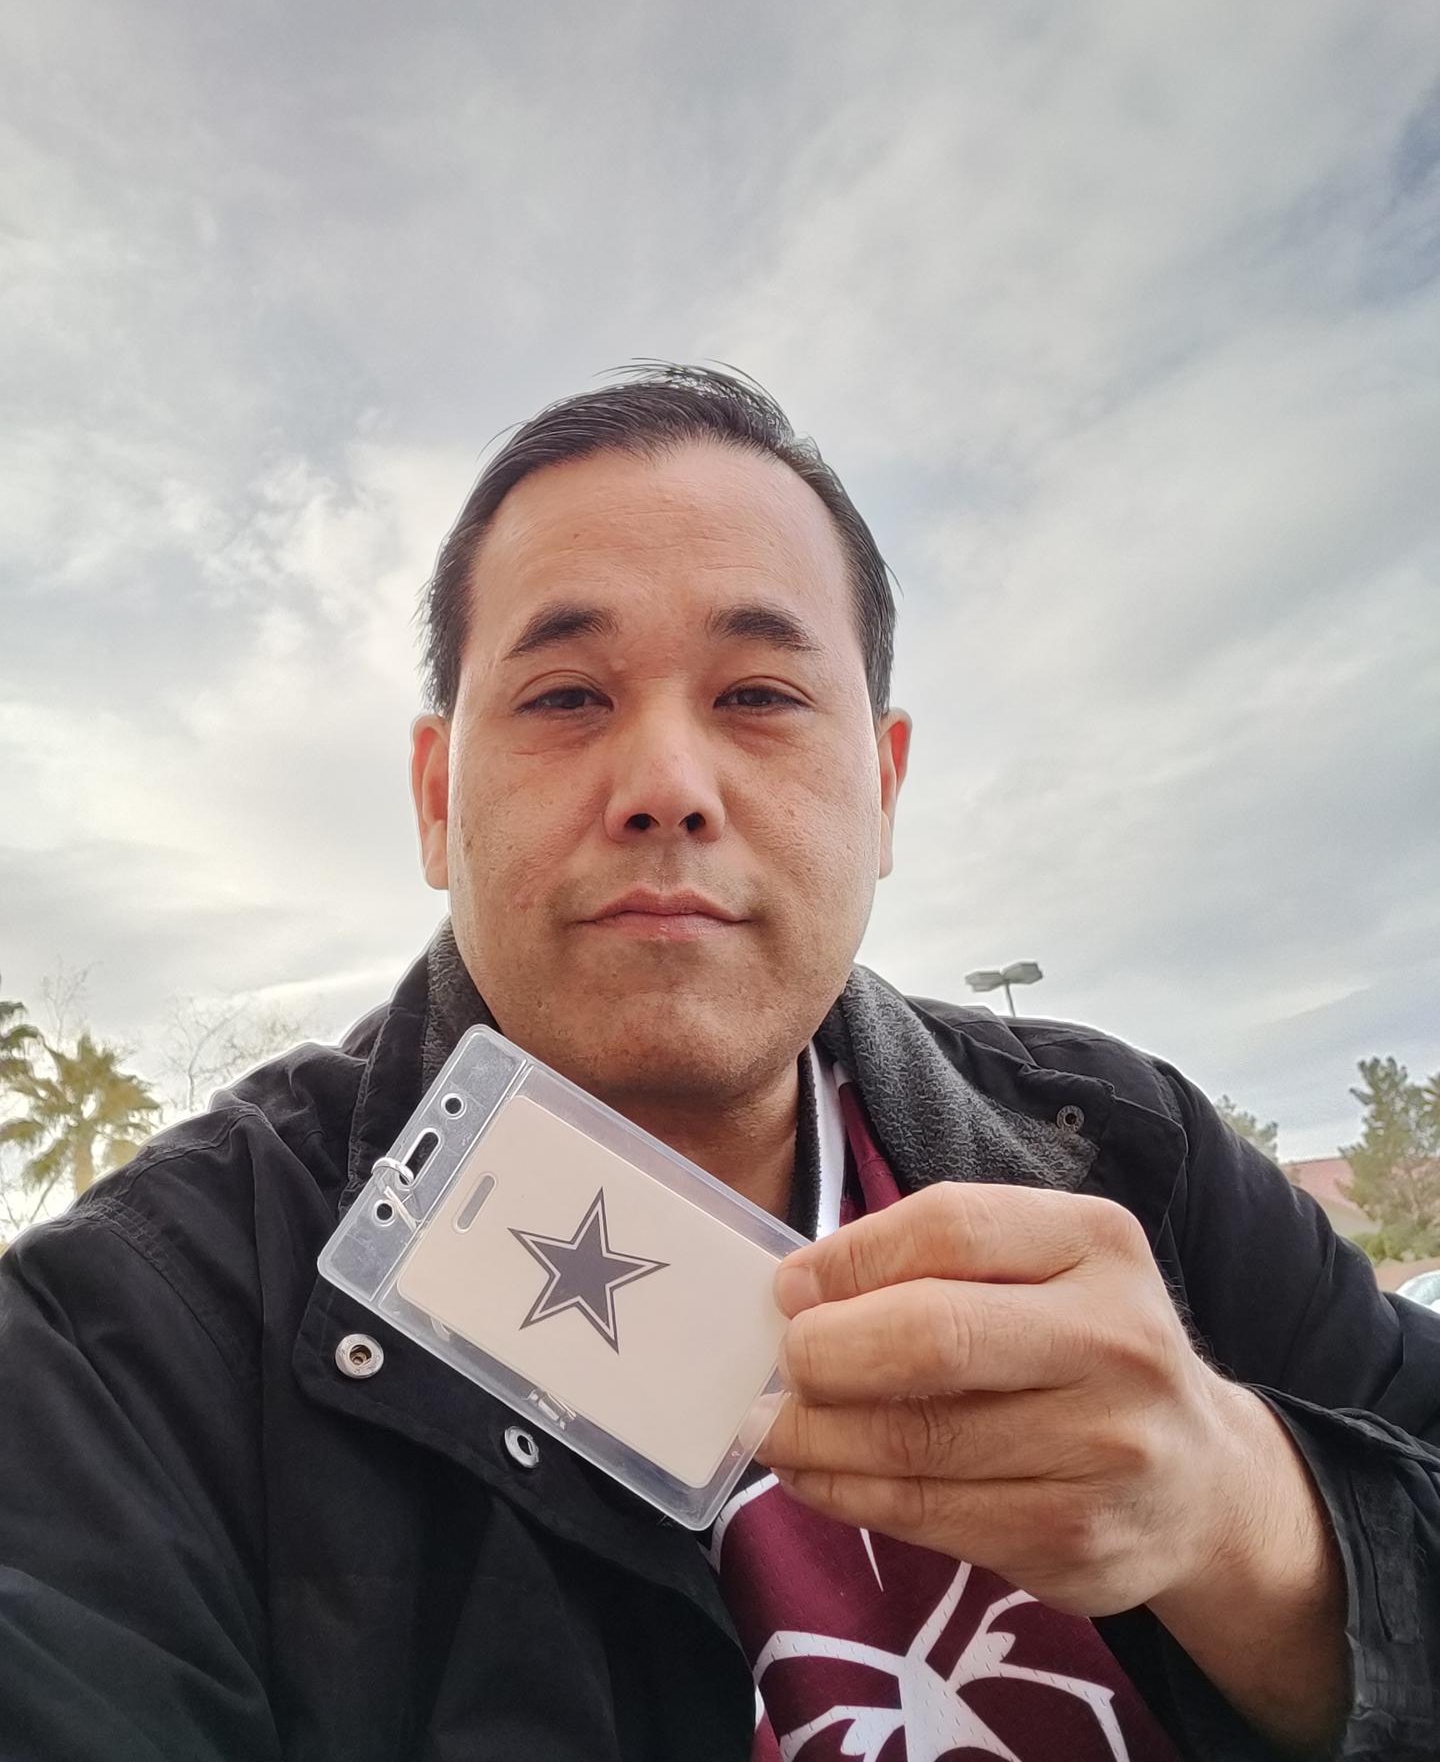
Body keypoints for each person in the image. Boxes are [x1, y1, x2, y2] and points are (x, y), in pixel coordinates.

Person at [1, 366, 1436, 1762]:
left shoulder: (1135, 1155)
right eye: (566, 697)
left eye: (758, 693)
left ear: (885, 786)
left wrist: (1249, 1520)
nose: (667, 788)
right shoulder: (132, 1335)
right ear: (437, 801)